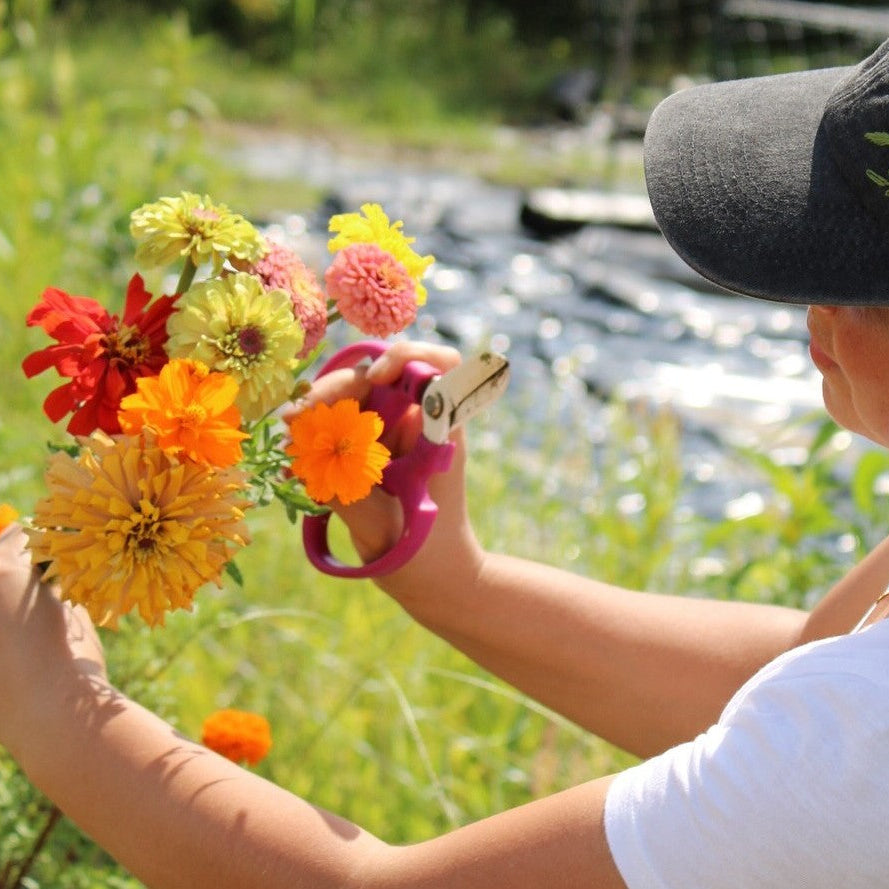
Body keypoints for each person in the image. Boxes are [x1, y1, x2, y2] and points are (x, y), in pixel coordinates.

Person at [4, 37, 889, 889]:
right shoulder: (847, 718)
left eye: (848, 269)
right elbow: (792, 675)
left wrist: (55, 711)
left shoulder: (864, 743)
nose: (809, 303)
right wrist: (448, 576)